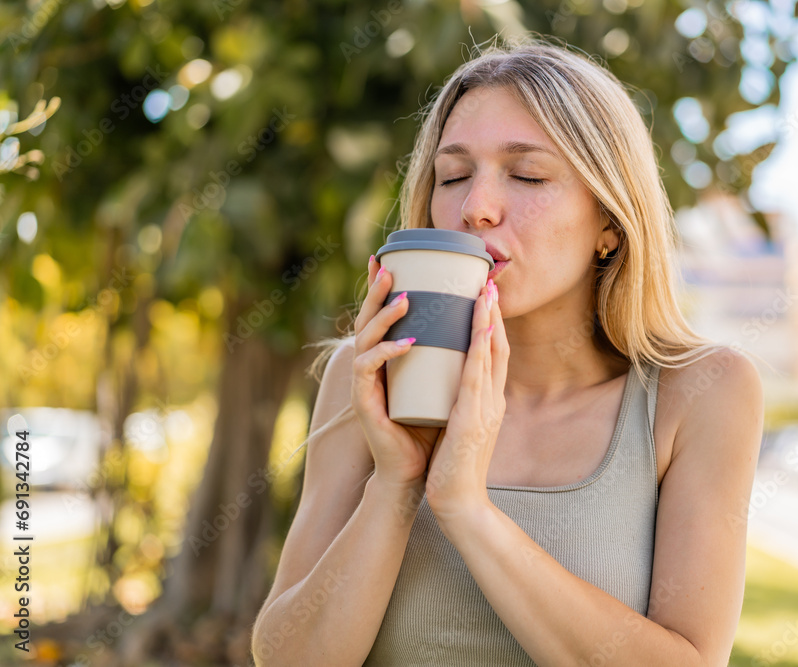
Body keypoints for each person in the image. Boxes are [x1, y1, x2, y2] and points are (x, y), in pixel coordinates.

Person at [251, 35, 763, 666]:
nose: (475, 208)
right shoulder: (369, 374)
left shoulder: (701, 393)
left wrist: (467, 507)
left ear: (609, 219)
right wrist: (396, 481)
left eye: (527, 175)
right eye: (453, 176)